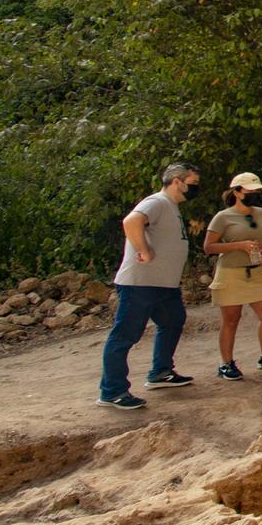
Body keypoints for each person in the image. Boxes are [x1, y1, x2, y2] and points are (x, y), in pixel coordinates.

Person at [99, 162, 202, 409]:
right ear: (177, 181)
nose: (196, 188)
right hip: (141, 284)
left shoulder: (171, 207)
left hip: (163, 285)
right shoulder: (157, 202)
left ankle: (160, 372)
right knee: (125, 335)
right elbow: (131, 221)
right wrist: (143, 250)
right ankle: (112, 391)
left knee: (173, 320)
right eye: (193, 183)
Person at [203, 172, 262, 380]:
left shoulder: (261, 213)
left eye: (257, 191)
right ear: (237, 192)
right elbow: (209, 247)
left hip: (256, 271)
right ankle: (226, 363)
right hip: (231, 273)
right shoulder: (223, 217)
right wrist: (239, 246)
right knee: (231, 320)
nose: (254, 194)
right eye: (250, 191)